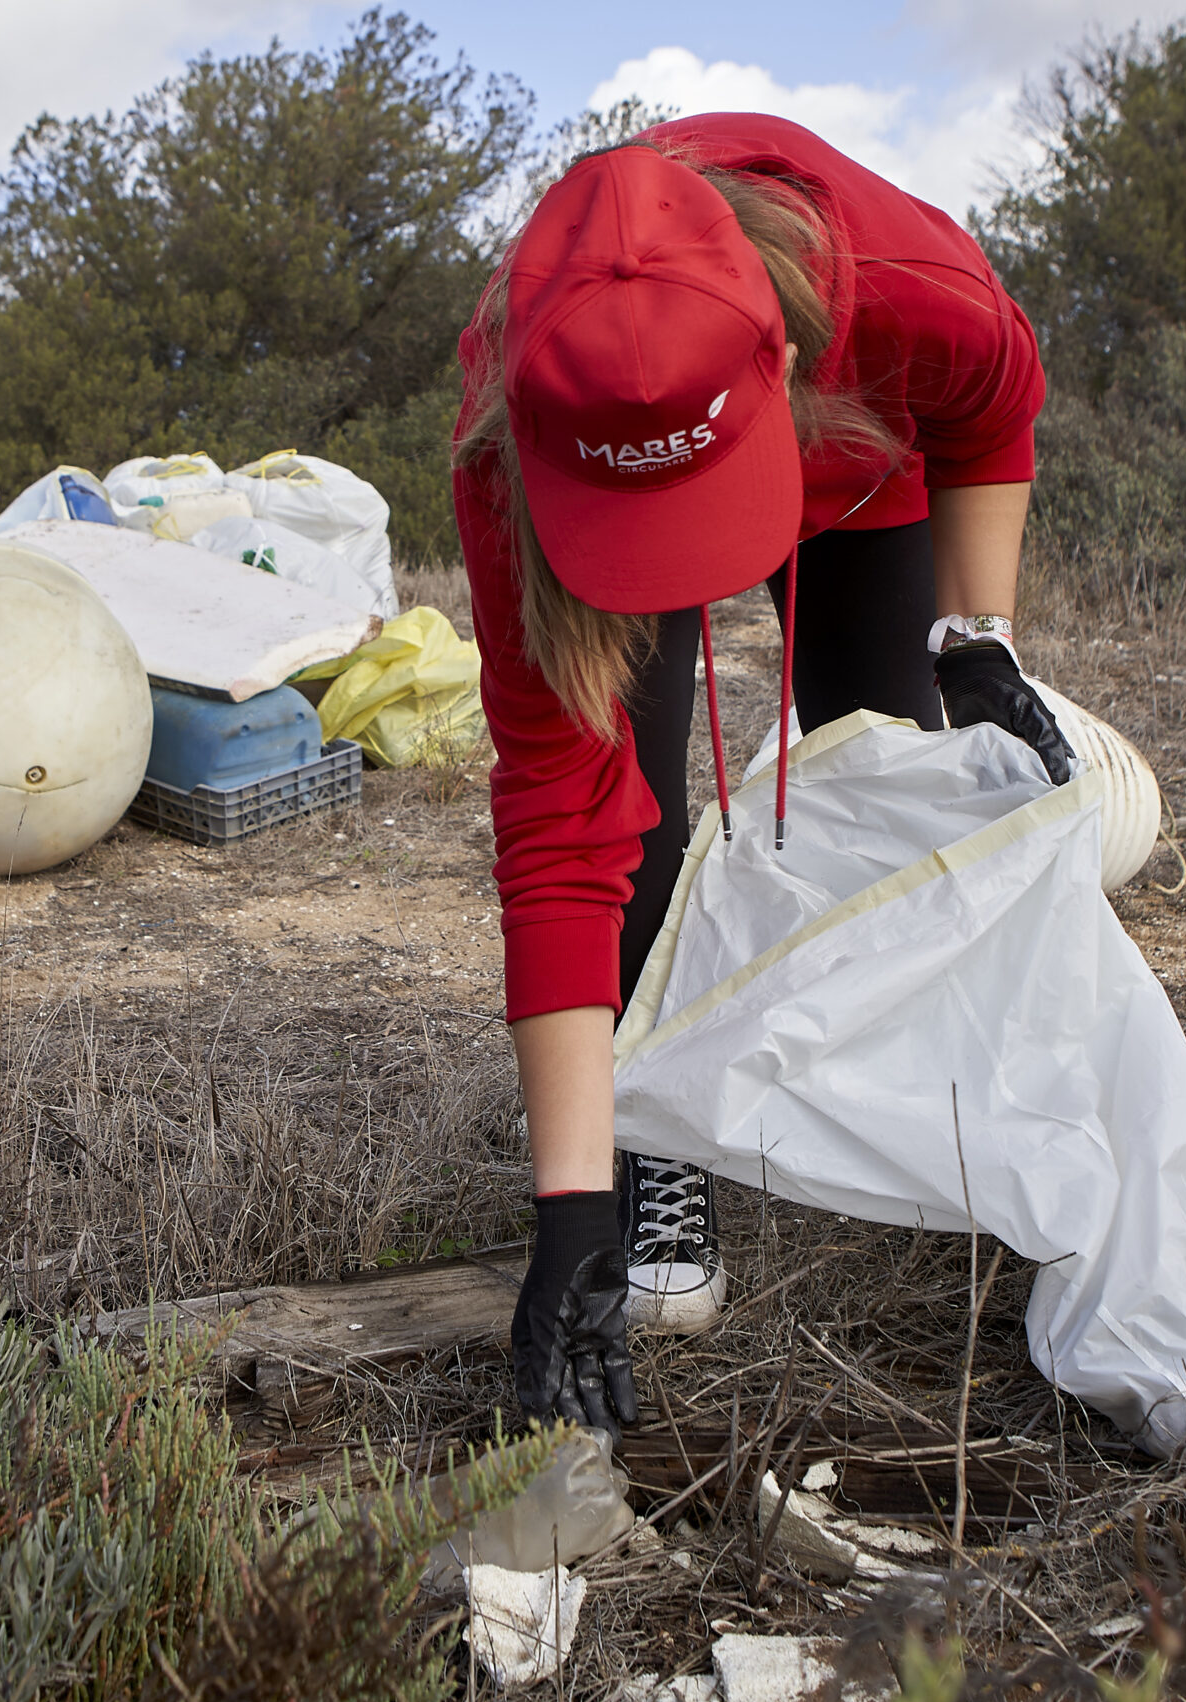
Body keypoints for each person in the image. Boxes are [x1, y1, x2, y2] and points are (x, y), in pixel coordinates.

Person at [453, 114, 1078, 1438]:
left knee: (887, 769)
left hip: (854, 462)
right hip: (591, 496)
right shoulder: (510, 428)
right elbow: (561, 826)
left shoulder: (912, 289)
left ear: (784, 350)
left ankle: (896, 1106)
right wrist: (568, 1210)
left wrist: (976, 639)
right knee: (630, 809)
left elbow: (995, 413)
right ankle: (655, 1147)